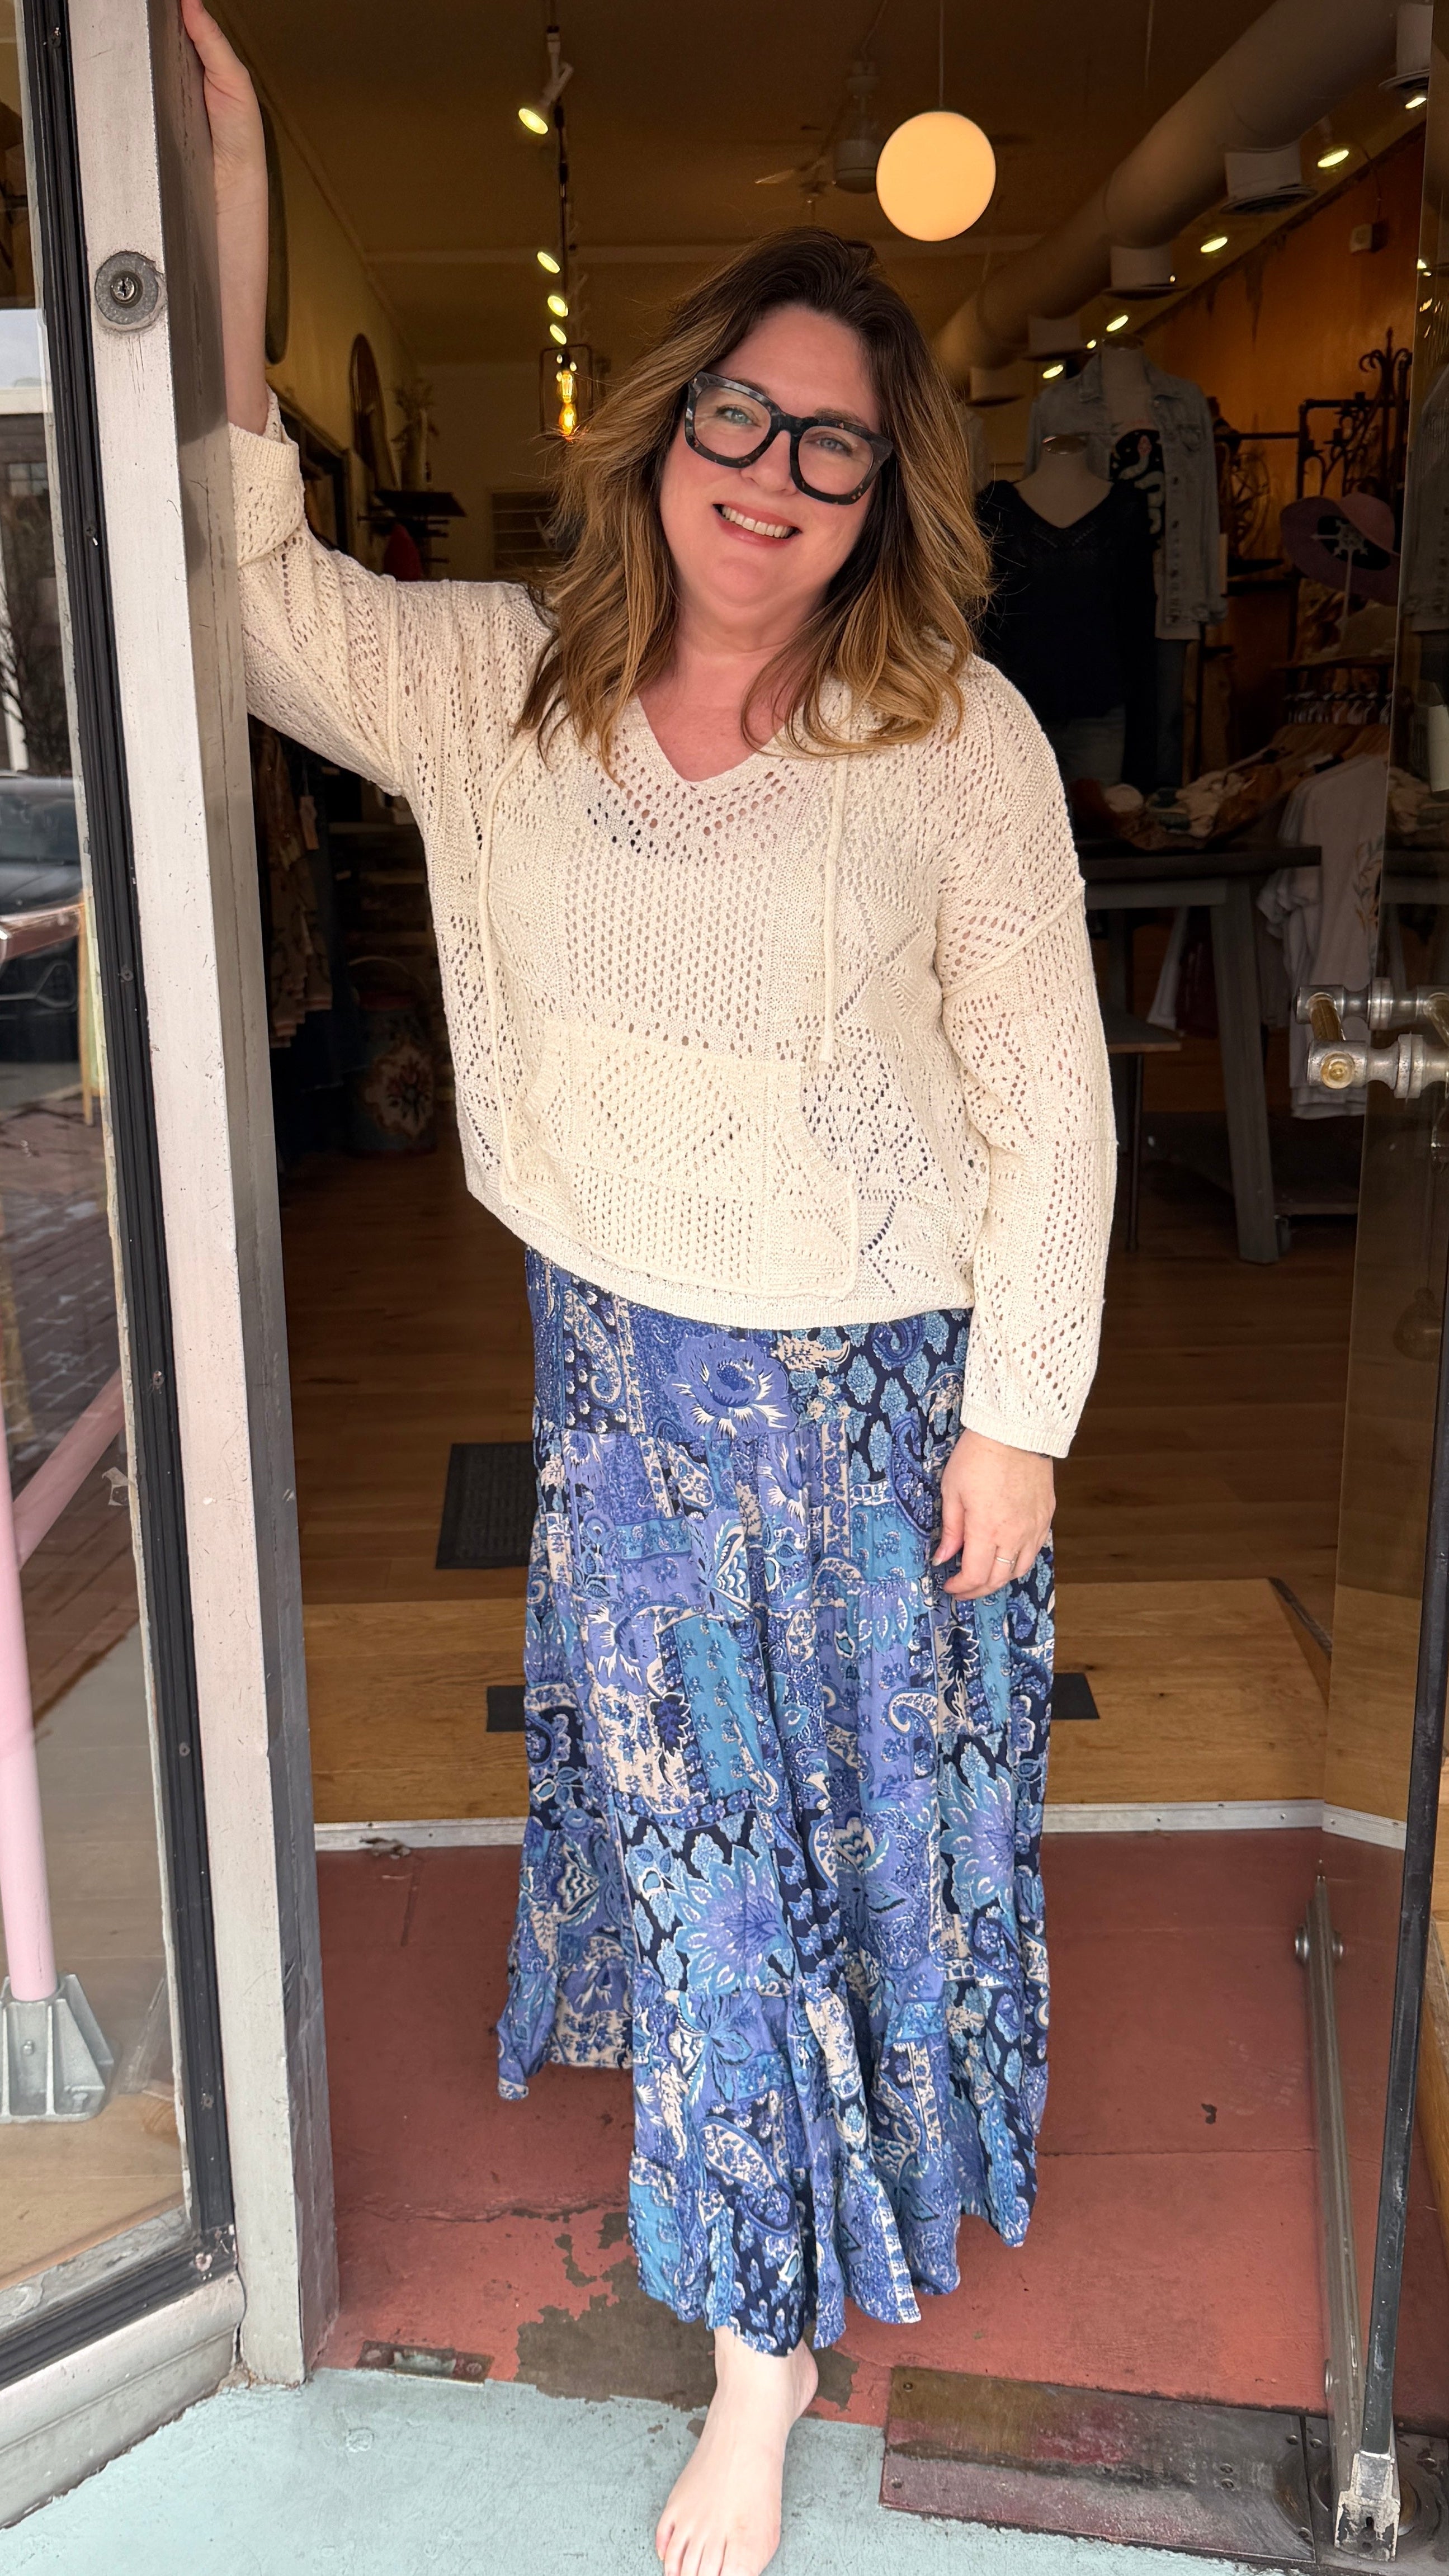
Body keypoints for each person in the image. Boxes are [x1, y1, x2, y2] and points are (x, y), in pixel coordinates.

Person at [182, 6, 1116, 2569]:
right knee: (718, 1886)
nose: (775, 477)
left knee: (876, 1857)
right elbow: (247, 594)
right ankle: (755, 2361)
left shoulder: (955, 737)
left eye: (835, 446)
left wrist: (1021, 1410)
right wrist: (225, 186)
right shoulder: (503, 687)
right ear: (662, 426)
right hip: (626, 1407)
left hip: (891, 1403)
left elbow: (1054, 1097)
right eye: (742, 417)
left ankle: (845, 2196)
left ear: (887, 494)